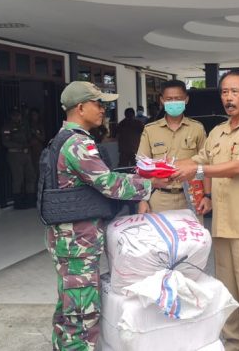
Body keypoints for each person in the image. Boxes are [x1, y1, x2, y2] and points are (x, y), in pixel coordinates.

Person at [45, 81, 168, 351]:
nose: (103, 109)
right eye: (98, 104)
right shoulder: (78, 143)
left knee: (69, 308)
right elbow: (109, 184)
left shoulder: (65, 138)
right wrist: (150, 184)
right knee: (82, 314)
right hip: (77, 242)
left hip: (71, 240)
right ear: (80, 108)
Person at [173, 70, 239, 351]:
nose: (228, 98)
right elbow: (199, 160)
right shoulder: (217, 132)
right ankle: (232, 344)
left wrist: (197, 168)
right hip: (223, 225)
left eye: (234, 92)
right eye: (224, 92)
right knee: (228, 292)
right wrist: (167, 170)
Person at [137, 79, 212, 220]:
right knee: (161, 239)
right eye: (169, 99)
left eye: (178, 99)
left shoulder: (197, 128)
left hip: (191, 196)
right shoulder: (150, 130)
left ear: (186, 99)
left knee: (192, 240)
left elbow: (205, 164)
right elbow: (142, 167)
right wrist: (142, 199)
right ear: (162, 101)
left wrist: (207, 195)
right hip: (159, 198)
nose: (174, 102)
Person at [2, 108, 37, 209]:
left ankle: (30, 200)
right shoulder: (7, 127)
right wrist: (20, 146)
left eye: (19, 115)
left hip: (26, 154)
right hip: (15, 154)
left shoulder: (23, 126)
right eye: (15, 115)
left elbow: (29, 137)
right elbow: (6, 142)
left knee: (31, 176)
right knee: (18, 179)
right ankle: (18, 202)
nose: (17, 117)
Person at [28, 108, 46, 172]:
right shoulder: (27, 125)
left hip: (38, 149)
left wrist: (35, 133)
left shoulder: (40, 125)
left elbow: (43, 138)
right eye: (32, 115)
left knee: (38, 167)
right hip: (29, 150)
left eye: (35, 115)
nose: (34, 117)